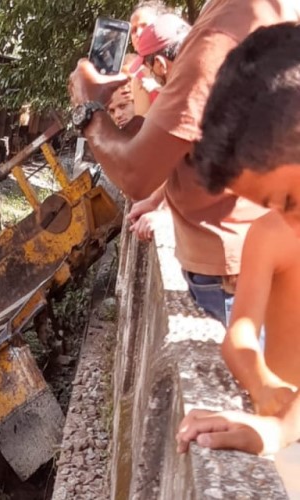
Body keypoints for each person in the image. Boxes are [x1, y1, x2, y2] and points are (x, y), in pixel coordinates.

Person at [67, 0, 300, 327]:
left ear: (158, 64)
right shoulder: (258, 11)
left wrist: (87, 109)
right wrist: (159, 200)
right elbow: (193, 145)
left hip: (232, 273)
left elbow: (136, 173)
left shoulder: (221, 33)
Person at [177, 22, 300, 457]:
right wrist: (263, 385)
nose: (288, 220)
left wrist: (281, 430)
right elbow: (240, 333)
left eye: (290, 200)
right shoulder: (271, 234)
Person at [125, 14, 192, 242]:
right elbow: (186, 162)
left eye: (149, 68)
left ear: (160, 65)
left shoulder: (194, 98)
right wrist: (156, 201)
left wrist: (167, 213)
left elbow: (213, 169)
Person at [128, 0, 174, 115]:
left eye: (144, 26)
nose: (138, 33)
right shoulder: (140, 79)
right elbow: (142, 124)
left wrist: (158, 90)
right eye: (133, 30)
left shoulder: (183, 56)